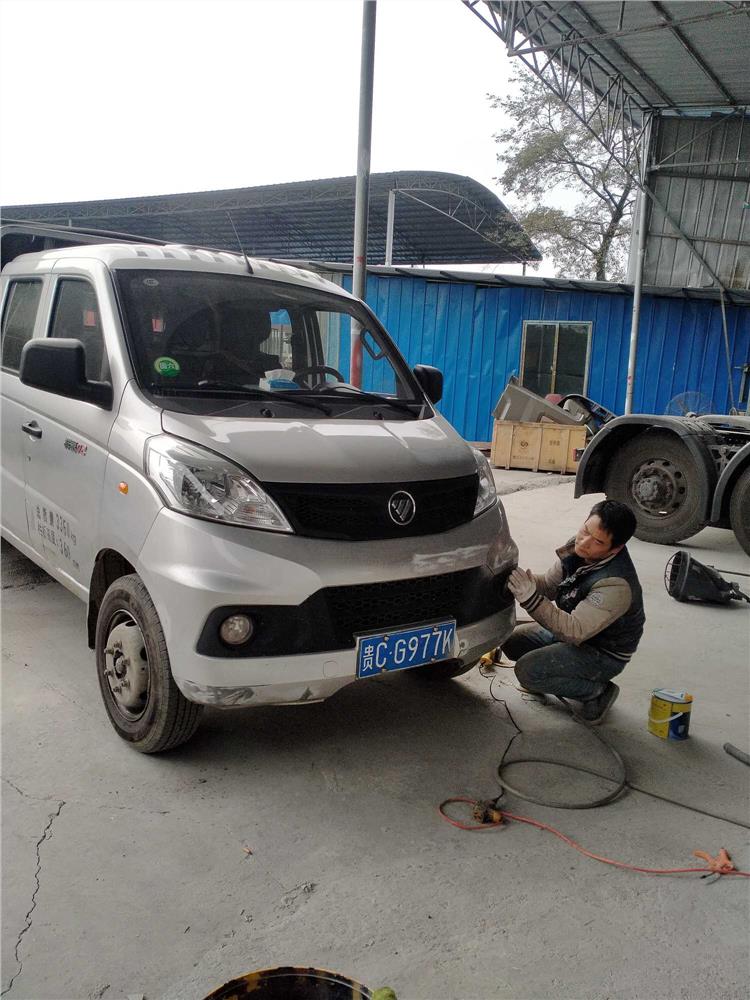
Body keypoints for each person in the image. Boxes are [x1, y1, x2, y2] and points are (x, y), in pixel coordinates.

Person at [501, 499, 645, 725]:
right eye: (585, 530)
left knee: (527, 672)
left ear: (615, 548)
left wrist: (529, 598)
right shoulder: (578, 549)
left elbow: (574, 631)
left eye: (598, 541)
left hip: (602, 652)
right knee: (509, 640)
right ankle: (555, 674)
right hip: (578, 634)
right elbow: (549, 585)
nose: (585, 543)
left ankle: (597, 692)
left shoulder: (615, 584)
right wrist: (516, 580)